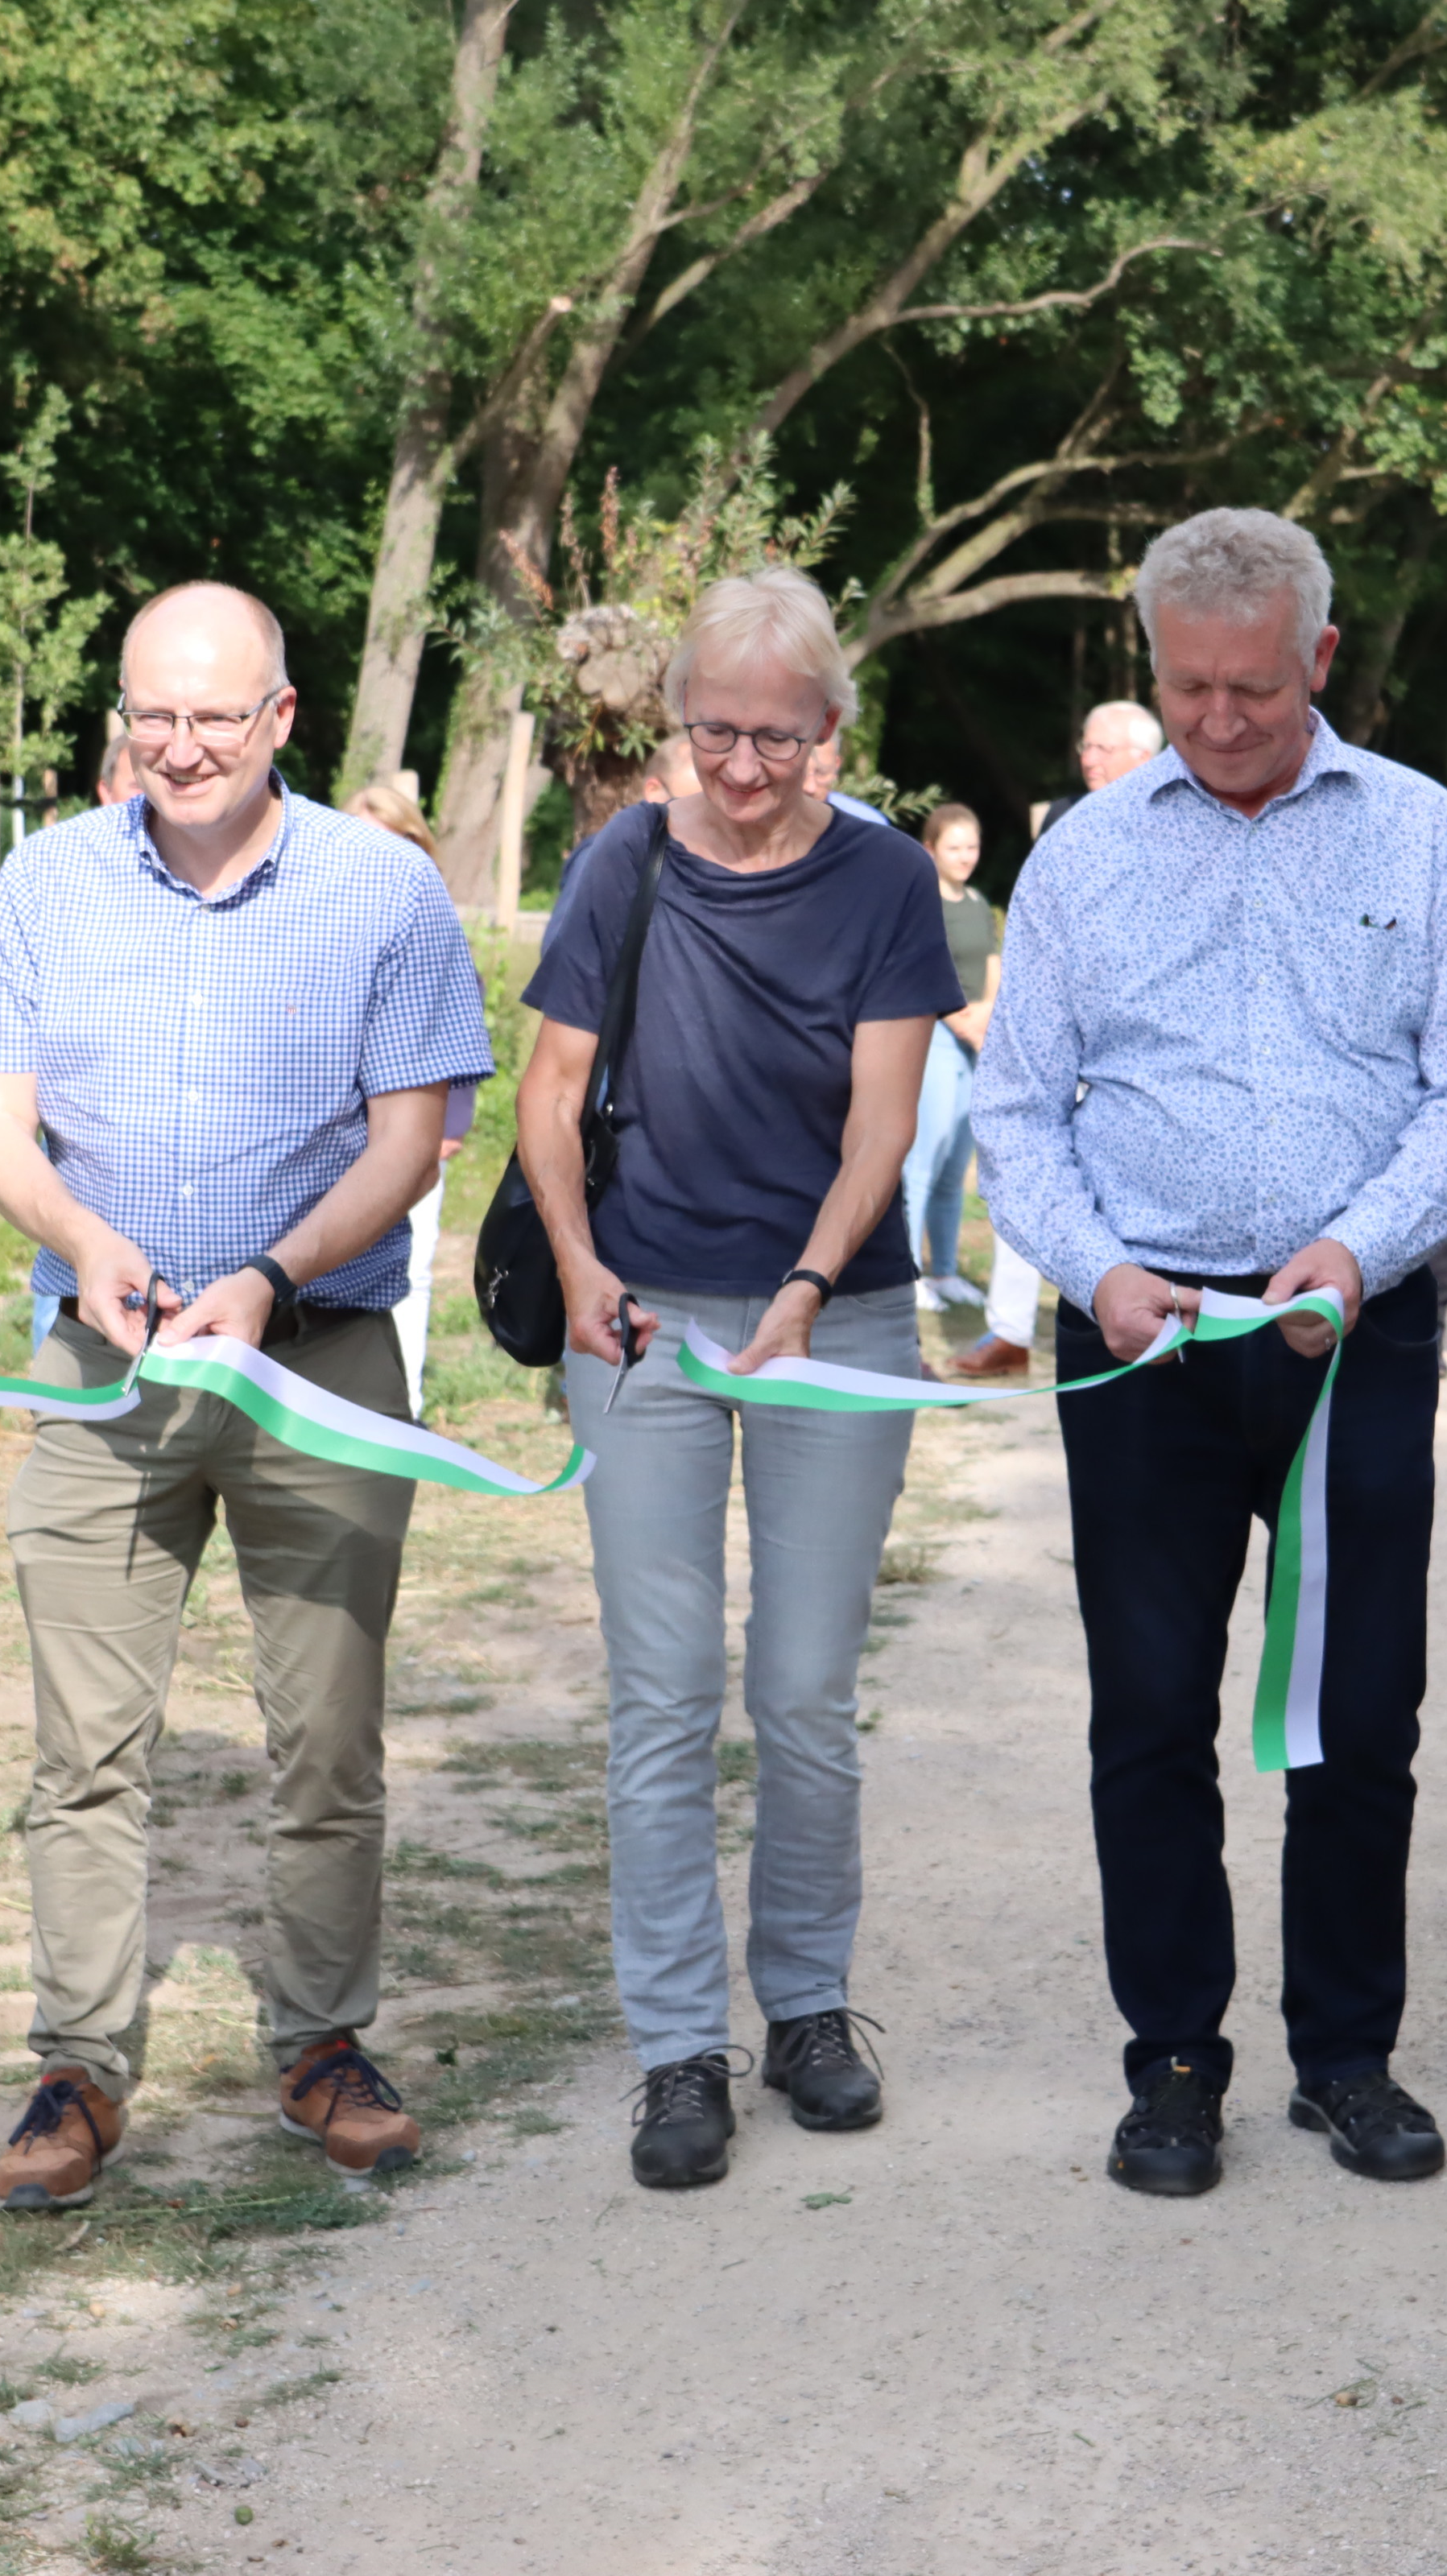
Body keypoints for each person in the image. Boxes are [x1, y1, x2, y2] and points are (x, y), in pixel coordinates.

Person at [972, 507, 1447, 2198]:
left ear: (1321, 660)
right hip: (1145, 1344)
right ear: (1153, 664)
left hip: (1353, 1330)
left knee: (1360, 1709)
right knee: (1148, 1711)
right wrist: (1098, 1271)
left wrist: (1357, 1251)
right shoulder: (1083, 857)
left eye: (1256, 690)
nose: (1218, 720)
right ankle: (1173, 2061)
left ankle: (1346, 2056)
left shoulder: (1420, 835)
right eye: (1190, 687)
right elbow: (1014, 1109)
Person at [0, 581, 493, 2212]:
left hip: (314, 1358)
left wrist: (268, 1272)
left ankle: (323, 2044)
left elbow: (412, 1141)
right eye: (153, 714)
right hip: (102, 1370)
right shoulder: (46, 881)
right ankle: (78, 2067)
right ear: (121, 718)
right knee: (81, 1750)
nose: (181, 746)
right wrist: (80, 1239)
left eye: (214, 715)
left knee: (327, 1739)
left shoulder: (384, 891)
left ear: (280, 718)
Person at [515, 567, 961, 2190]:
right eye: (716, 732)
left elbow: (885, 1123)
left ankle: (810, 2009)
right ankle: (676, 2048)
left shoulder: (886, 880)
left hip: (830, 1323)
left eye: (778, 736)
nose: (745, 766)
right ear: (678, 722)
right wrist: (580, 1268)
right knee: (661, 1694)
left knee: (804, 1691)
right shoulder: (621, 862)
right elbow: (550, 1089)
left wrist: (807, 1287)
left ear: (832, 727)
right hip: (642, 1323)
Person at [953, 700, 1168, 1380]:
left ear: (1145, 756)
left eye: (1103, 748)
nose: (1088, 758)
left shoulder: (1179, 820)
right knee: (1032, 1167)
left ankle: (1142, 1314)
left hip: (1141, 1040)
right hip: (1062, 1027)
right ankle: (1010, 1331)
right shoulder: (1062, 819)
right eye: (1086, 745)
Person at [348, 780, 479, 1415]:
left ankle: (407, 1404)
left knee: (413, 1267)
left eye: (394, 841)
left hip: (415, 1136)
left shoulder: (436, 927)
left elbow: (459, 1038)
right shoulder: (311, 926)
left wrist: (449, 1127)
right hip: (334, 1142)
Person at [901, 802, 998, 1311]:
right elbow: (921, 971)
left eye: (972, 846)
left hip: (976, 1039)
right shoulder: (924, 903)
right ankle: (907, 1274)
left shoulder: (978, 902)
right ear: (930, 850)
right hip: (939, 1038)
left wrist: (986, 1017)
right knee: (924, 1161)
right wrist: (963, 1022)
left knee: (955, 1166)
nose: (965, 856)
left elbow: (992, 964)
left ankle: (944, 1272)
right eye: (954, 847)